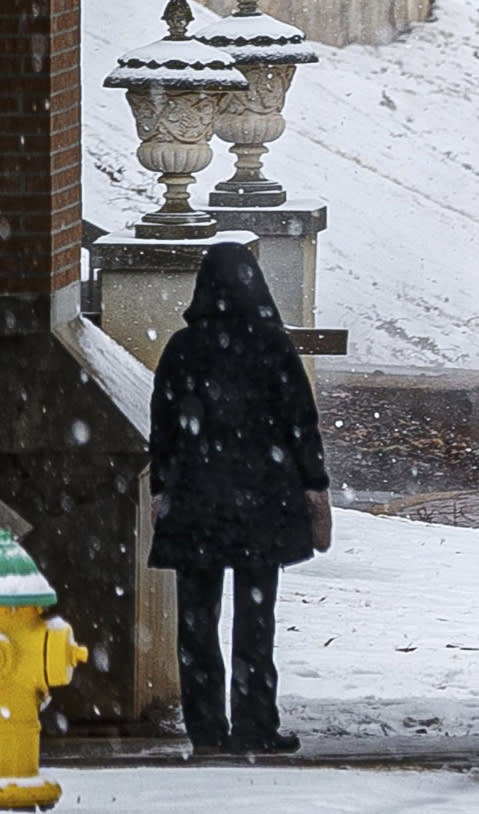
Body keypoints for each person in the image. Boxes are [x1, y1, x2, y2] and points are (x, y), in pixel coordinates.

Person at [148, 242, 331, 758]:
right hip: (262, 503)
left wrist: (162, 483)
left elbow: (163, 426)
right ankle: (254, 724)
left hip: (195, 504)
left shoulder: (182, 348)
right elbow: (302, 425)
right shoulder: (273, 347)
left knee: (196, 621)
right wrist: (313, 484)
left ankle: (206, 730)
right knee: (256, 619)